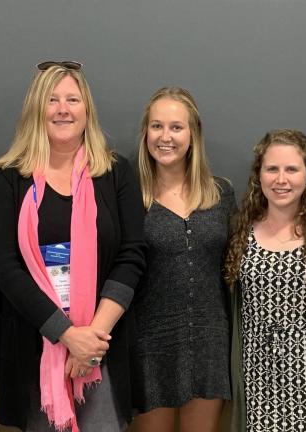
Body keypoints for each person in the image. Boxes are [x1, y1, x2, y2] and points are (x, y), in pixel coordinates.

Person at [0, 61, 147, 432]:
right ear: (36, 110)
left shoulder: (115, 172)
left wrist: (91, 340)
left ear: (87, 109)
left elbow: (132, 255)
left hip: (102, 347)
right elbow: (5, 267)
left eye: (73, 99)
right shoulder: (10, 178)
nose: (63, 109)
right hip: (37, 347)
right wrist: (67, 334)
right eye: (52, 100)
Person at [225, 129, 306, 432]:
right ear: (259, 175)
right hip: (256, 375)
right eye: (272, 169)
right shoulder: (239, 230)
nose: (281, 179)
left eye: (292, 169)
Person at [131, 87, 234, 432]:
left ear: (193, 135)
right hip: (148, 343)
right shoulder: (128, 195)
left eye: (176, 127)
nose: (165, 137)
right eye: (157, 126)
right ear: (146, 133)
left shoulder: (221, 194)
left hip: (210, 341)